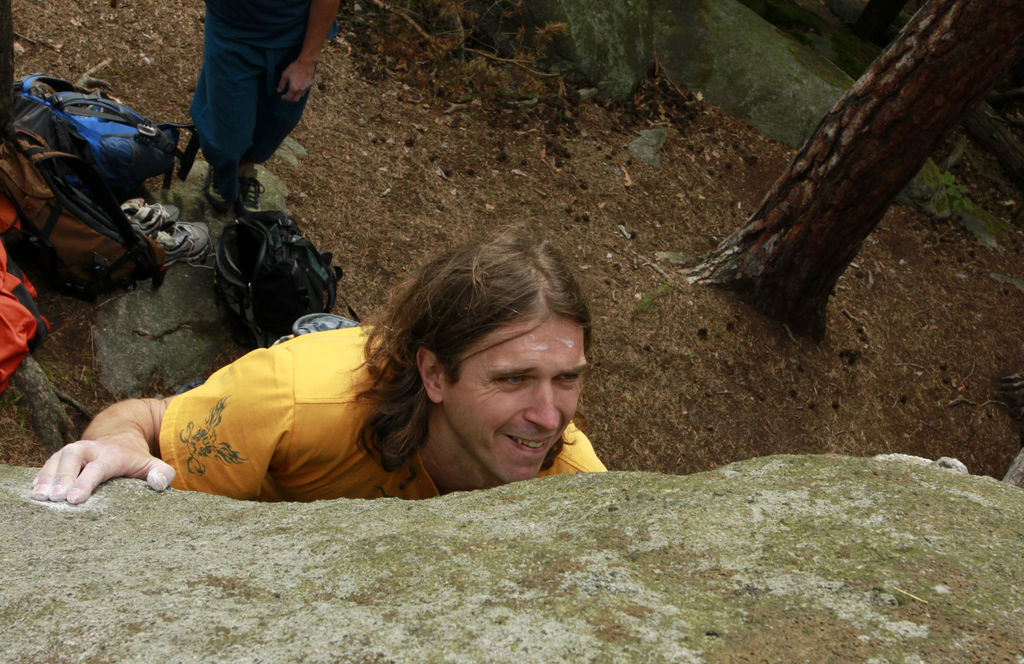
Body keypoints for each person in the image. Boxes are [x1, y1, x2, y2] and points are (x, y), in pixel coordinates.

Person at [32, 232, 607, 504]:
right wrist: (113, 443)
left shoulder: (579, 490)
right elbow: (147, 417)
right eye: (512, 379)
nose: (547, 416)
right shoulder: (291, 401)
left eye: (567, 378)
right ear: (434, 373)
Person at [194, 0, 341, 216]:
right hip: (232, 30)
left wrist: (306, 61)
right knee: (227, 127)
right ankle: (222, 168)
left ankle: (244, 168)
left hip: (293, 33)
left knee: (279, 119)